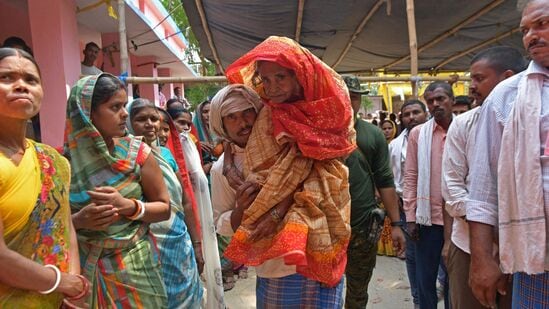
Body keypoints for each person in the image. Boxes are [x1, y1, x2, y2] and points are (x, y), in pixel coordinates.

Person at [222, 36, 355, 307]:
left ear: (301, 75)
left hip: (324, 226)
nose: (272, 88)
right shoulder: (267, 117)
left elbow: (321, 164)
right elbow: (267, 172)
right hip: (278, 258)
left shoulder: (330, 113)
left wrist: (276, 211)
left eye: (280, 77)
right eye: (265, 80)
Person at [466, 1, 549, 307]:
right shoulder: (507, 96)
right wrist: (483, 259)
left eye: (541, 24)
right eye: (525, 30)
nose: (531, 36)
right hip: (537, 261)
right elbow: (483, 188)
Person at [65, 73, 170, 307]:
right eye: (115, 107)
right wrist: (77, 221)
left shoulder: (137, 153)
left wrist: (129, 206)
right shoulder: (62, 164)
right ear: (87, 113)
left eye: (124, 105)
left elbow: (164, 208)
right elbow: (47, 226)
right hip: (84, 269)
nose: (124, 113)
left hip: (136, 265)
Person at [0, 47, 89, 307]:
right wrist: (61, 282)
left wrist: (72, 284)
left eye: (31, 80)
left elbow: (65, 226)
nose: (21, 86)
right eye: (7, 78)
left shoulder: (53, 160)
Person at [441, 46, 525, 309]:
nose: (471, 86)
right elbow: (453, 191)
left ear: (507, 79)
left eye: (479, 78)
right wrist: (497, 235)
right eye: (470, 79)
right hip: (470, 248)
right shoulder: (464, 124)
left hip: (526, 251)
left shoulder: (533, 122)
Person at [126, 98, 204, 308]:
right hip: (149, 243)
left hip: (179, 238)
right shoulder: (124, 159)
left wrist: (196, 243)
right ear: (128, 122)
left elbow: (184, 200)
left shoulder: (167, 155)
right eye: (141, 119)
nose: (150, 124)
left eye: (154, 119)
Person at [342, 75, 405, 307]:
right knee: (321, 289)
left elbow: (385, 181)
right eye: (344, 96)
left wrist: (396, 224)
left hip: (362, 226)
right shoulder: (320, 132)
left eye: (355, 97)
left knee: (358, 291)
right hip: (324, 229)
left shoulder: (373, 135)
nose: (349, 102)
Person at [167, 107, 226, 307]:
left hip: (199, 203)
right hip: (179, 215)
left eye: (187, 123)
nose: (184, 128)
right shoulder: (165, 154)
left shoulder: (191, 142)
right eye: (179, 122)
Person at [403, 81, 454, 309]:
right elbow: (411, 175)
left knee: (456, 281)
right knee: (425, 281)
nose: (435, 104)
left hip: (459, 220)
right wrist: (411, 218)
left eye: (440, 98)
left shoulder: (464, 128)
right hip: (427, 221)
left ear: (451, 99)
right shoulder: (418, 134)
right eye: (431, 101)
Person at [389, 99, 428, 308]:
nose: (411, 117)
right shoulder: (395, 145)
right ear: (401, 119)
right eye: (407, 114)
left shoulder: (438, 136)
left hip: (436, 209)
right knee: (412, 257)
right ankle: (417, 300)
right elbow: (393, 181)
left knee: (440, 257)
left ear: (425, 113)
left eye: (416, 112)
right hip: (406, 208)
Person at [193, 100, 217, 175]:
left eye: (211, 111)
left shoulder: (222, 131)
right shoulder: (191, 134)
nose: (209, 115)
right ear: (199, 114)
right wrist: (196, 144)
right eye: (205, 112)